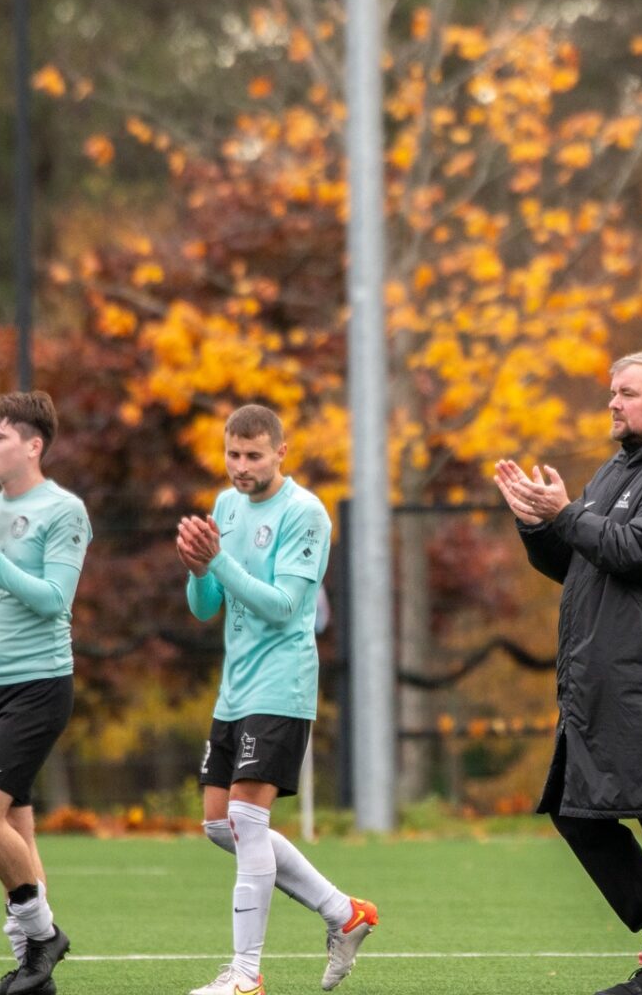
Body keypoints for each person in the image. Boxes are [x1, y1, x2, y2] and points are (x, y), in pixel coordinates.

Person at [493, 350, 642, 995]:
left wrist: (566, 512)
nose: (612, 403)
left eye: (626, 393)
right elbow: (581, 563)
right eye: (611, 393)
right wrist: (535, 522)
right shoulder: (617, 470)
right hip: (610, 685)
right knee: (576, 811)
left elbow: (637, 551)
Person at [175, 405, 376, 995]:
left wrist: (218, 561)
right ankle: (344, 912)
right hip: (234, 687)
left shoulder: (305, 512)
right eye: (233, 455)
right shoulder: (225, 504)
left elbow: (288, 606)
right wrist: (196, 570)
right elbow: (204, 606)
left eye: (253, 456)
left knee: (245, 818)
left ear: (281, 453)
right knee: (220, 825)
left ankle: (245, 976)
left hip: (281, 684)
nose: (241, 467)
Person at [0, 392, 92, 995]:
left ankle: (44, 936)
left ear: (34, 445)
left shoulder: (64, 510)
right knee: (16, 835)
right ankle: (34, 974)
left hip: (38, 687)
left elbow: (55, 599)